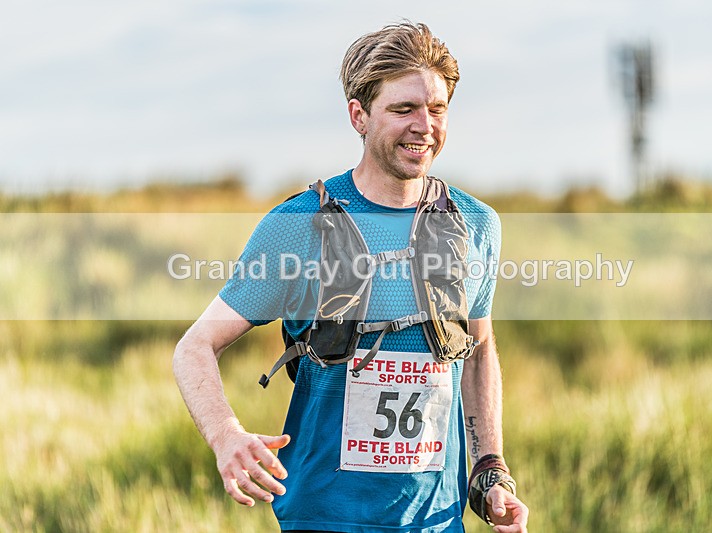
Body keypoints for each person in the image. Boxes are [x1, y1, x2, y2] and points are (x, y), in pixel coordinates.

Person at [173, 21, 529, 533]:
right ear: (358, 115)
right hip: (322, 518)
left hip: (437, 521)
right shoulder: (297, 225)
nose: (424, 125)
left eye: (437, 108)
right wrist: (226, 436)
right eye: (403, 109)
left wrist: (490, 470)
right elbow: (194, 346)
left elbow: (478, 350)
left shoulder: (476, 224)